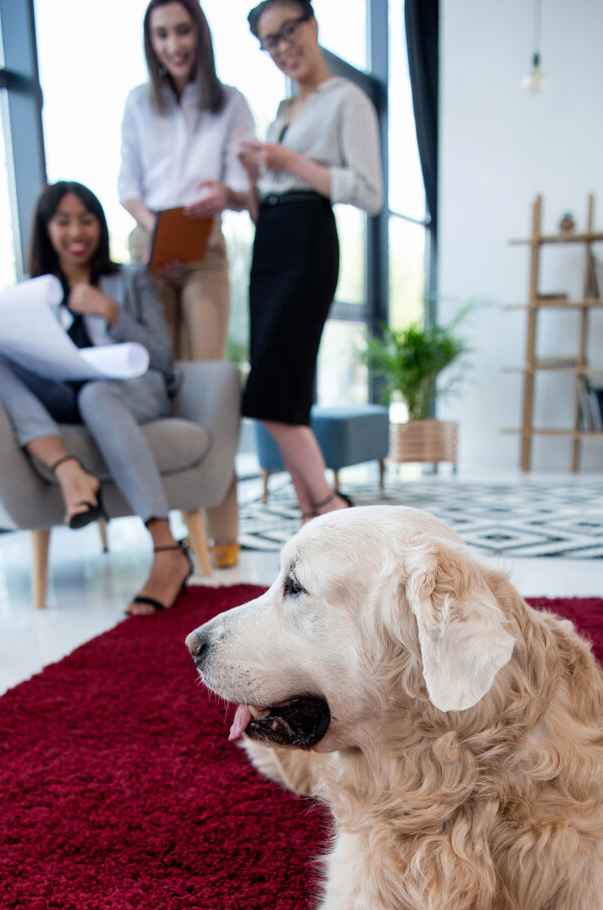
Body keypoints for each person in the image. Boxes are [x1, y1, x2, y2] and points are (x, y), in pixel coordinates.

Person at [0, 180, 192, 616]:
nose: (76, 231)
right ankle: (69, 471)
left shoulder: (131, 281)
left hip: (128, 393)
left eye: (86, 220)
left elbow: (162, 358)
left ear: (100, 227)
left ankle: (167, 550)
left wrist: (111, 312)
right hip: (61, 394)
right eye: (63, 221)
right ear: (46, 229)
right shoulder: (30, 295)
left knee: (97, 395)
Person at [119, 0, 255, 567]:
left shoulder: (232, 104)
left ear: (199, 33)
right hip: (148, 248)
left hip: (206, 248)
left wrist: (223, 198)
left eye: (182, 31)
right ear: (150, 41)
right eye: (161, 34)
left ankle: (223, 528)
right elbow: (127, 184)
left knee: (211, 386)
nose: (173, 44)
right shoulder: (137, 103)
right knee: (161, 388)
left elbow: (249, 192)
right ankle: (172, 531)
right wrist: (159, 232)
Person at [240, 1, 383, 522]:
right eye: (270, 42)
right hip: (270, 242)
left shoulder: (348, 99)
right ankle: (311, 515)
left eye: (288, 31)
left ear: (313, 24)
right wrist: (251, 181)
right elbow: (264, 209)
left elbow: (370, 194)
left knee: (269, 389)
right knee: (287, 390)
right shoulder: (280, 114)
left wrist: (292, 163)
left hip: (308, 240)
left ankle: (328, 507)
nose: (282, 48)